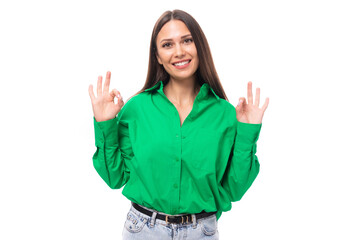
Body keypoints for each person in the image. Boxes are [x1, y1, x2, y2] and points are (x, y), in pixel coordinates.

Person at [88, 9, 269, 240]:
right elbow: (115, 178)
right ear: (157, 56)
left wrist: (247, 133)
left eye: (187, 40)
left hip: (201, 232)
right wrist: (105, 124)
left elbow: (235, 189)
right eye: (167, 45)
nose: (179, 52)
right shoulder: (136, 109)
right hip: (142, 231)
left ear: (199, 46)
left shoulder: (226, 114)